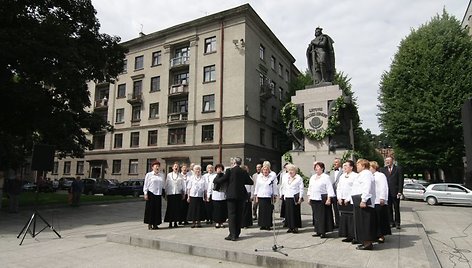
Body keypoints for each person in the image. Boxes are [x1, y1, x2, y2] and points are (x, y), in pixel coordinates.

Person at [213, 157, 253, 241]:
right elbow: (250, 182)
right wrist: (240, 181)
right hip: (241, 195)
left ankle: (232, 234)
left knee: (231, 215)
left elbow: (221, 180)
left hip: (231, 195)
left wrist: (217, 176)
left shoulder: (229, 171)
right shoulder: (243, 171)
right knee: (239, 214)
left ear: (234, 162)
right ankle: (237, 233)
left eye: (232, 162)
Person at [351, 159, 377, 250]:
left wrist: (364, 200)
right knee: (361, 223)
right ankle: (364, 242)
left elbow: (367, 187)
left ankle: (368, 243)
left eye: (358, 165)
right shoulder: (361, 174)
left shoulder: (366, 174)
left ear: (363, 165)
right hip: (358, 201)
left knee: (365, 223)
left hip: (364, 203)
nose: (356, 166)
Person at [307, 161, 335, 238]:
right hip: (314, 198)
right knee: (316, 216)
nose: (316, 168)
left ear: (322, 168)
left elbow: (329, 188)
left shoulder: (325, 177)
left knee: (322, 216)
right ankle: (317, 230)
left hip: (322, 198)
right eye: (315, 167)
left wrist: (329, 199)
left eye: (318, 167)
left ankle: (323, 231)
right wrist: (309, 197)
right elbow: (310, 188)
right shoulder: (313, 177)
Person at [336, 160, 358, 243]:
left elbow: (354, 189)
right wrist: (339, 197)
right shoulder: (342, 176)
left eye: (346, 166)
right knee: (344, 218)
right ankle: (347, 235)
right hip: (342, 200)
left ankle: (354, 236)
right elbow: (339, 187)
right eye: (344, 166)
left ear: (351, 167)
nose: (344, 167)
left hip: (350, 200)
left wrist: (348, 198)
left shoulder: (355, 176)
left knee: (352, 219)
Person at [254, 161, 278, 231]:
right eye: (264, 170)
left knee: (268, 211)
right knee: (261, 211)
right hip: (261, 196)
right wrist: (256, 195)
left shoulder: (271, 177)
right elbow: (257, 187)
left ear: (269, 171)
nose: (265, 171)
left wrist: (275, 195)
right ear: (262, 171)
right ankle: (262, 225)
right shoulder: (259, 177)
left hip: (268, 196)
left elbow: (275, 187)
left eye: (267, 170)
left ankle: (268, 225)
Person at [370, 161, 391, 243]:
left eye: (370, 167)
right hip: (372, 200)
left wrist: (382, 198)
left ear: (374, 167)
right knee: (374, 219)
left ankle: (381, 235)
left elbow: (384, 187)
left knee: (380, 218)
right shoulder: (369, 176)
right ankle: (375, 234)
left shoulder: (380, 175)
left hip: (379, 200)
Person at [381, 156, 404, 229]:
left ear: (392, 161)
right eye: (386, 160)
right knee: (388, 208)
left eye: (388, 160)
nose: (387, 162)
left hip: (395, 192)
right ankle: (391, 222)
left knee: (396, 208)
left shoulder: (398, 169)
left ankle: (397, 223)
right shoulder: (383, 170)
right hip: (387, 192)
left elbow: (401, 181)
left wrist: (400, 191)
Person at [280, 164, 304, 233]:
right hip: (287, 196)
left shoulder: (298, 178)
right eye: (289, 170)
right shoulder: (286, 177)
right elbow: (283, 186)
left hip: (294, 197)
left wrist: (300, 197)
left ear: (295, 171)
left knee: (295, 213)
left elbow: (301, 188)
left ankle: (295, 227)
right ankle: (290, 227)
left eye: (292, 170)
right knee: (288, 213)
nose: (290, 172)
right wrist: (282, 195)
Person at [143, 160, 165, 230]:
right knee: (150, 209)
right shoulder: (149, 175)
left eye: (158, 166)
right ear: (152, 167)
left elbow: (163, 185)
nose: (157, 167)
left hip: (158, 194)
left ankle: (156, 224)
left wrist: (164, 193)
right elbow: (145, 185)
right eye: (156, 166)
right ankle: (150, 223)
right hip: (151, 193)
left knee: (157, 210)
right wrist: (145, 193)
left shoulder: (161, 175)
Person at [164, 162, 186, 228]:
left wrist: (184, 193)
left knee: (177, 209)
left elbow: (183, 185)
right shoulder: (169, 175)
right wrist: (165, 193)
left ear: (178, 168)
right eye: (175, 166)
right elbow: (166, 184)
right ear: (173, 168)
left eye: (177, 166)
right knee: (170, 208)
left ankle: (176, 222)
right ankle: (170, 222)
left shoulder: (180, 175)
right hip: (170, 194)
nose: (176, 167)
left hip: (178, 193)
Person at [207, 164, 227, 228]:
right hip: (215, 195)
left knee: (222, 210)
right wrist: (208, 195)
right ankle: (217, 222)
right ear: (216, 170)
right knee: (216, 210)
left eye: (220, 168)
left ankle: (222, 222)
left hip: (223, 195)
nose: (219, 169)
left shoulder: (224, 177)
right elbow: (210, 186)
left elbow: (227, 186)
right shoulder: (214, 177)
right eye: (218, 168)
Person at [329, 158, 342, 228]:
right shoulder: (331, 172)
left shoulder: (343, 171)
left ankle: (342, 223)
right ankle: (337, 223)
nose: (335, 164)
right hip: (333, 193)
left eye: (336, 162)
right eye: (334, 162)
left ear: (340, 163)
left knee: (341, 209)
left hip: (340, 193)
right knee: (335, 209)